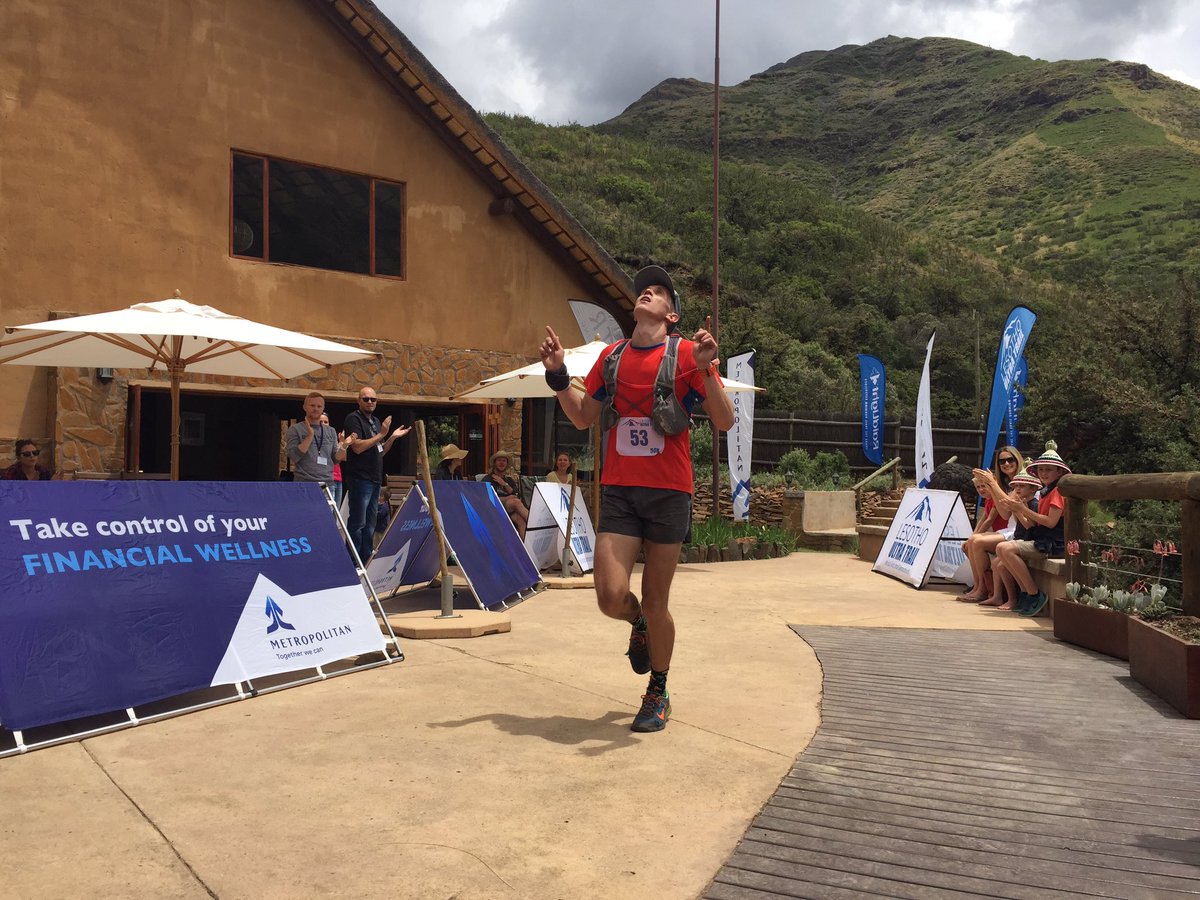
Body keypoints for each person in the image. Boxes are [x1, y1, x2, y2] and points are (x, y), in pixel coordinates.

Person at [539, 264, 734, 733]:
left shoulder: (689, 353)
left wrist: (707, 368)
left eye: (659, 292)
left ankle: (657, 691)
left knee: (656, 598)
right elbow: (585, 417)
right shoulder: (612, 356)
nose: (647, 292)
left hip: (669, 492)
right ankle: (638, 626)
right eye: (644, 289)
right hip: (622, 491)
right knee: (609, 597)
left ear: (671, 316)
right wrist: (559, 375)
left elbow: (724, 421)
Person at [990, 441, 1072, 617]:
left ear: (1059, 472)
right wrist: (1018, 509)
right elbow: (1031, 525)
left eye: (1048, 469)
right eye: (1041, 470)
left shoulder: (1057, 492)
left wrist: (1021, 509)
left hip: (1052, 544)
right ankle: (1026, 594)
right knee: (1002, 554)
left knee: (1004, 548)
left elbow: (1050, 522)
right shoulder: (1045, 492)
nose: (1044, 473)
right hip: (1041, 539)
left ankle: (1034, 594)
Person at [343, 387, 411, 562]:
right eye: (366, 399)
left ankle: (366, 560)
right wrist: (381, 433)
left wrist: (392, 437)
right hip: (360, 478)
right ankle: (352, 561)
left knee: (370, 524)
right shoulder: (353, 418)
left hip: (374, 479)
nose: (370, 402)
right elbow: (357, 447)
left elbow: (379, 451)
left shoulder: (375, 421)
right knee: (358, 523)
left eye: (373, 399)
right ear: (358, 401)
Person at [957, 446, 1024, 601]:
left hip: (1019, 531)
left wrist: (993, 485)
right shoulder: (1007, 484)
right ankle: (979, 586)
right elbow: (1004, 512)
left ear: (1017, 459)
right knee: (973, 540)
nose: (1006, 463)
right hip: (1010, 529)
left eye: (1010, 459)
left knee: (977, 541)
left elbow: (1002, 512)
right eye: (1002, 461)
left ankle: (982, 589)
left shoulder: (1022, 480)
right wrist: (993, 487)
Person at [984, 467, 1042, 610]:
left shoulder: (1034, 504)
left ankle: (1023, 596)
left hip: (1030, 541)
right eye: (1016, 486)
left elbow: (1030, 526)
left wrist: (1018, 510)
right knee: (997, 564)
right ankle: (1011, 597)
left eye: (1022, 486)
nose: (1017, 489)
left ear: (1033, 489)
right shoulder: (1021, 503)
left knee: (1001, 564)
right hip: (1021, 539)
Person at [285, 393, 350, 497]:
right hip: (304, 484)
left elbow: (335, 459)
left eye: (319, 406)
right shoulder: (295, 429)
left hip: (327, 485)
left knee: (326, 514)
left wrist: (344, 446)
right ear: (304, 407)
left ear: (323, 408)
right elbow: (294, 456)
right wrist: (310, 436)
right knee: (303, 513)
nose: (315, 409)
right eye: (312, 405)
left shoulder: (331, 431)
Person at [487, 450, 529, 538]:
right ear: (494, 463)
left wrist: (504, 484)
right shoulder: (488, 479)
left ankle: (525, 549)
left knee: (521, 521)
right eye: (499, 460)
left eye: (504, 461)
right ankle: (533, 522)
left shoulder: (509, 480)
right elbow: (488, 498)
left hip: (510, 509)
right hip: (495, 508)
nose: (501, 463)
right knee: (515, 502)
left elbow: (517, 495)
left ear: (506, 464)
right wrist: (507, 498)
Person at [321, 413, 344, 508]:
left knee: (336, 511)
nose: (323, 424)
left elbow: (342, 458)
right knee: (328, 511)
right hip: (326, 479)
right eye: (320, 422)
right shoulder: (314, 439)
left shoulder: (332, 437)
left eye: (326, 422)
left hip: (338, 478)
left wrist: (342, 443)